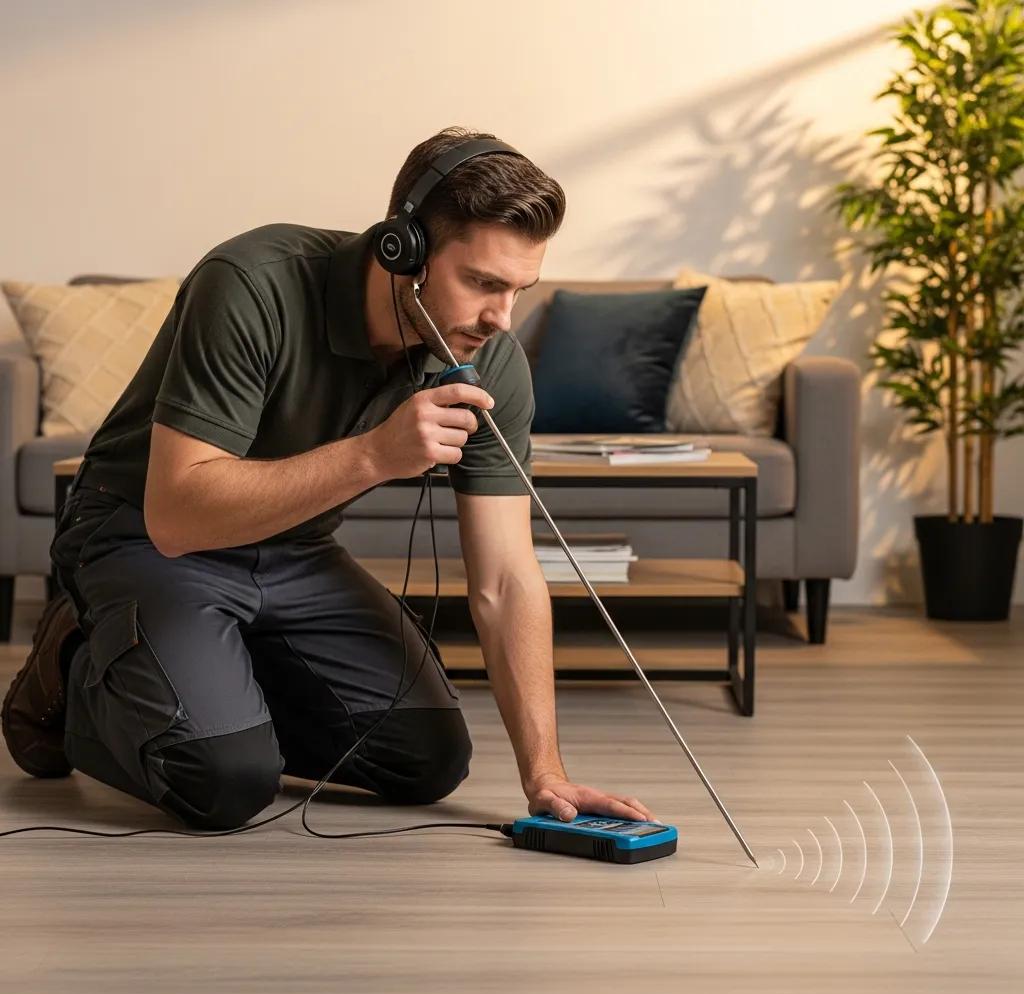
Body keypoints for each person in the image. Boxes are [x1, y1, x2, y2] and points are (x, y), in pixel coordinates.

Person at [2, 126, 657, 831]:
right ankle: (74, 667)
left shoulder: (488, 358)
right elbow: (176, 514)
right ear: (402, 249)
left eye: (521, 290)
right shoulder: (252, 283)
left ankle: (204, 682)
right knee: (223, 782)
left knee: (426, 762)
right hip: (144, 537)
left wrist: (545, 773)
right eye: (483, 284)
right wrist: (374, 455)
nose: (502, 319)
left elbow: (505, 577)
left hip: (294, 548)